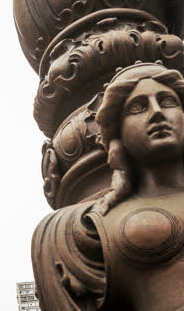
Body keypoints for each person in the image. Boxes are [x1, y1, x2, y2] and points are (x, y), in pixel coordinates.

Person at [32, 62, 184, 310]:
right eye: (138, 107)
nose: (157, 112)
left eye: (168, 101)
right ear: (116, 134)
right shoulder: (66, 232)